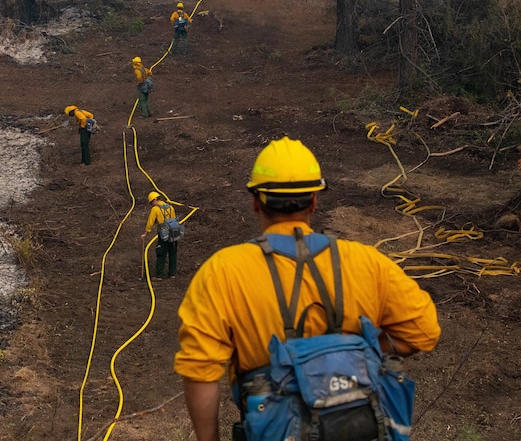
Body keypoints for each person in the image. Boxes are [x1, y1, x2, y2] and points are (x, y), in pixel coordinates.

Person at [174, 137, 441, 441]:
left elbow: (199, 371)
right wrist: (347, 356)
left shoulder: (223, 271)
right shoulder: (367, 262)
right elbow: (424, 331)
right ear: (314, 201)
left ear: (255, 202)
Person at [141, 191, 178, 279]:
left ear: (154, 199)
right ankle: (172, 273)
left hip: (163, 234)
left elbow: (150, 222)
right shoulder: (170, 207)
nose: (152, 204)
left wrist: (146, 233)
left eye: (151, 202)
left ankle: (159, 275)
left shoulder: (155, 209)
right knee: (172, 253)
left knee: (161, 253)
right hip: (173, 233)